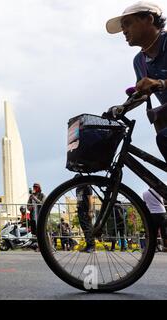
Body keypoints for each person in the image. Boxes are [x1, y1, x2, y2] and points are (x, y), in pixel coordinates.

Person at [107, 2, 167, 156]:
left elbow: (155, 85)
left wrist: (160, 83)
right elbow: (143, 94)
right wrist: (119, 109)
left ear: (148, 19)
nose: (124, 31)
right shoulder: (139, 61)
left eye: (127, 24)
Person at [76, 179, 95, 253]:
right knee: (84, 228)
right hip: (80, 209)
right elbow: (78, 199)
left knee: (88, 228)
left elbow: (90, 198)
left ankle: (92, 246)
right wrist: (77, 206)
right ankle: (88, 245)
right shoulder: (77, 188)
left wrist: (90, 210)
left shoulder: (87, 186)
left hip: (86, 210)